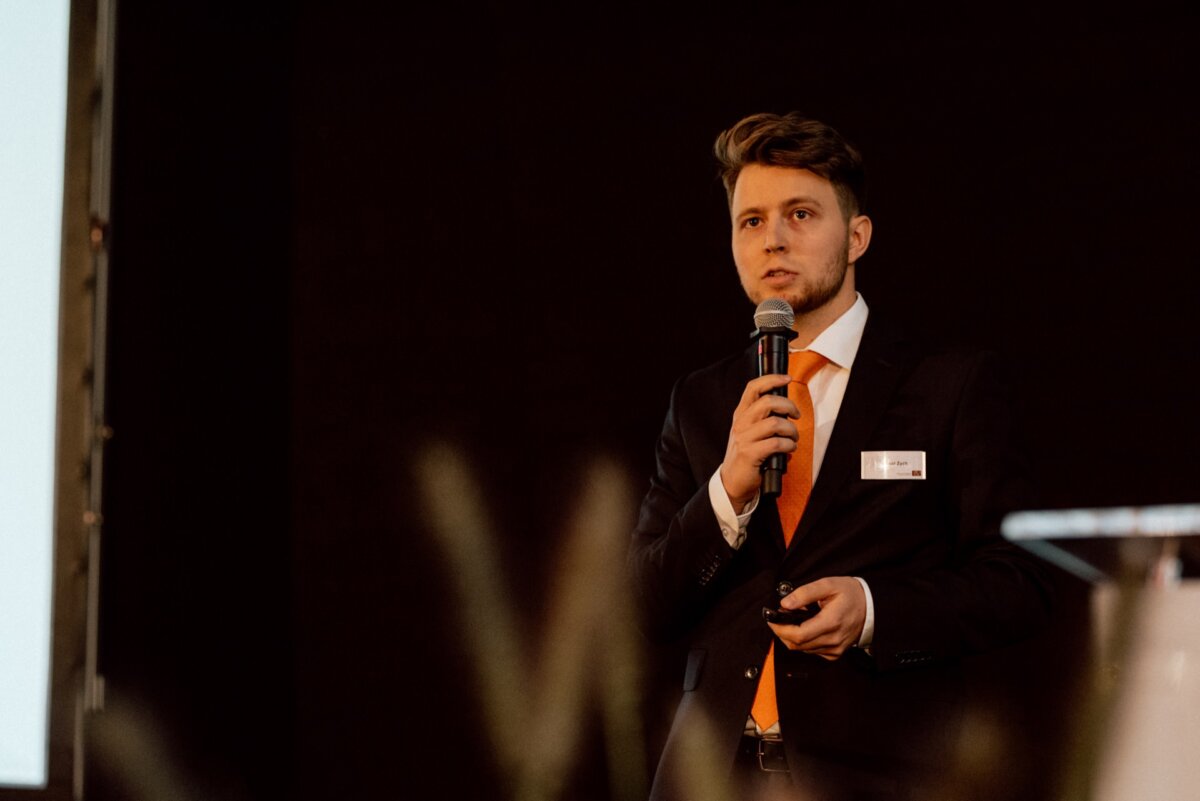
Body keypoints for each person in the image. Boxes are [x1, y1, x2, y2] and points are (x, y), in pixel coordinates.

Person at [628, 111, 1055, 801]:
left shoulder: (948, 384)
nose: (774, 240)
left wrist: (872, 608)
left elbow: (1024, 581)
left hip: (879, 774)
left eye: (801, 214)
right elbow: (647, 604)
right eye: (751, 221)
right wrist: (729, 488)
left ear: (857, 236)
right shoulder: (703, 400)